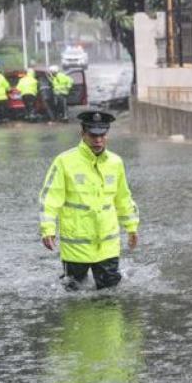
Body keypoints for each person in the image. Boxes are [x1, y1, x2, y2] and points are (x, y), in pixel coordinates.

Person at [39, 110, 139, 291]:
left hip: (107, 245)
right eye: (93, 135)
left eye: (102, 135)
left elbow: (123, 197)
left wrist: (132, 227)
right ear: (82, 134)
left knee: (111, 296)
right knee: (74, 296)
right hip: (76, 247)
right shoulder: (64, 161)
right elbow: (50, 198)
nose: (98, 140)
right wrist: (48, 229)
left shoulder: (115, 162)